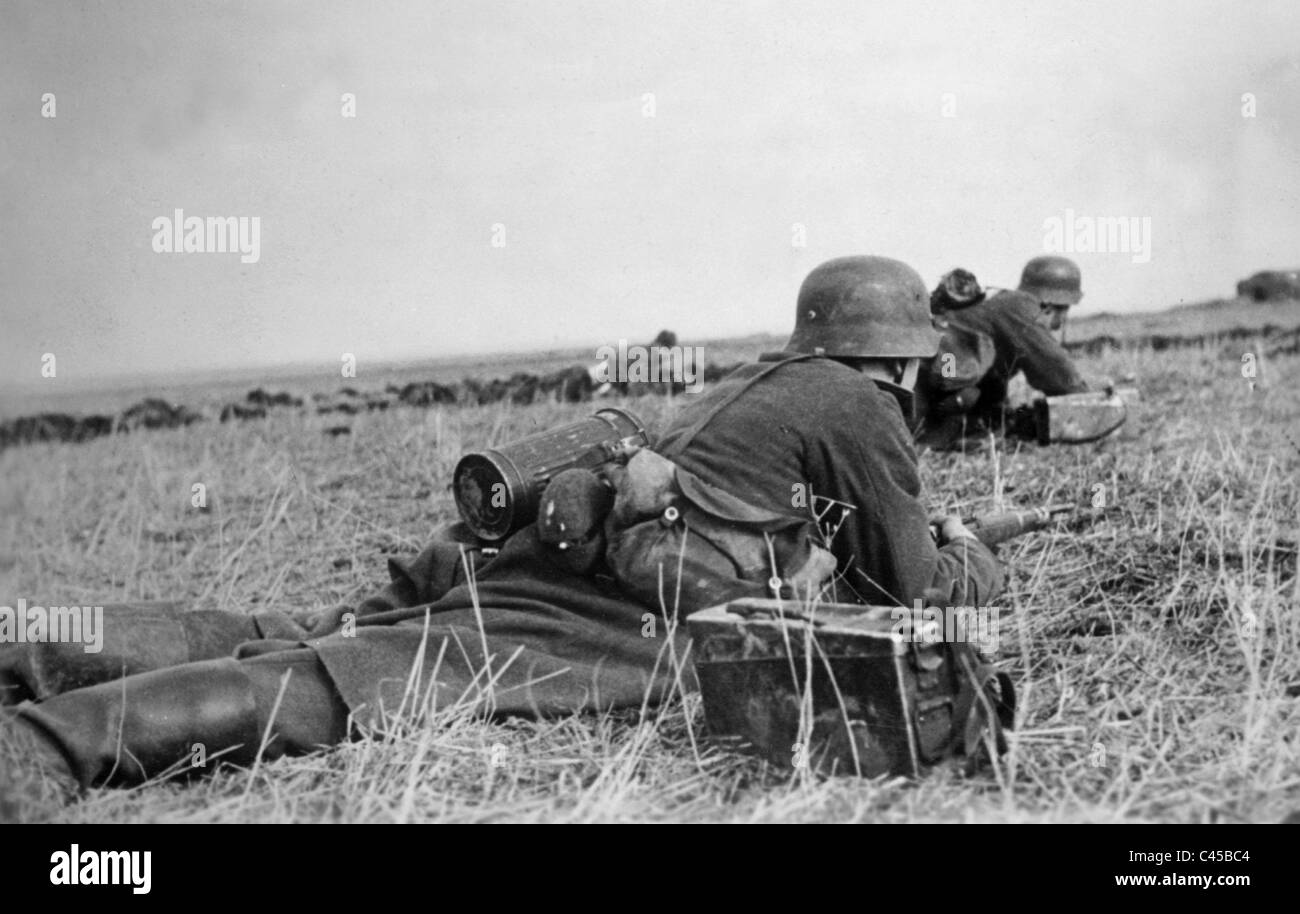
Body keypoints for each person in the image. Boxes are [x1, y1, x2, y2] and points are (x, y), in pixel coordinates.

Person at [2, 256, 1001, 790]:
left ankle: (33, 648)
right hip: (615, 616)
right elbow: (912, 590)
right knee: (338, 681)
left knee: (317, 633)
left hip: (539, 556)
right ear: (903, 356)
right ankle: (47, 748)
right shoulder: (858, 403)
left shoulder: (758, 380)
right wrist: (970, 556)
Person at [914, 256, 1091, 450]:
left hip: (927, 382)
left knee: (991, 389)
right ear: (1059, 306)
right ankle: (943, 437)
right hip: (933, 392)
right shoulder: (1022, 308)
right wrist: (1090, 405)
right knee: (970, 393)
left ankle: (963, 433)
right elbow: (1056, 369)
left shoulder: (1006, 302)